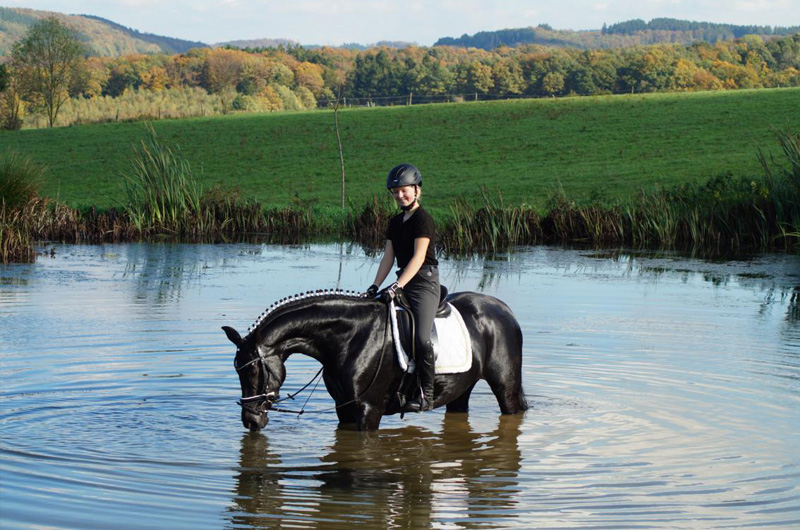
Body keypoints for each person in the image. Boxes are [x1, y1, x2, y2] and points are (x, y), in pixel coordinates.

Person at [366, 163, 440, 412]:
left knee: (420, 338)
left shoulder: (423, 219)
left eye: (404, 190)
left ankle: (427, 394)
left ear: (416, 189)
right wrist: (375, 286)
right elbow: (389, 257)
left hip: (423, 284)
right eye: (395, 192)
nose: (400, 196)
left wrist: (397, 286)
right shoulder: (395, 221)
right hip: (403, 282)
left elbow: (418, 258)